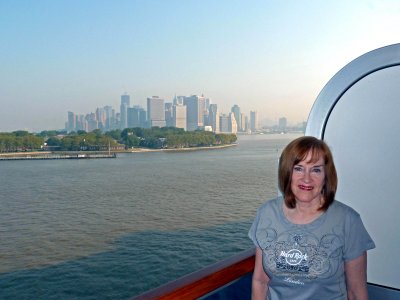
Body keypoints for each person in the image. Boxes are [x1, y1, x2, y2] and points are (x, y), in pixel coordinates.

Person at [248, 136, 375, 300]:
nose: (306, 179)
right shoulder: (267, 213)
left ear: (326, 176)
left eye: (316, 169)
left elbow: (356, 292)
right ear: (287, 172)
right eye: (298, 168)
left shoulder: (347, 220)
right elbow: (260, 281)